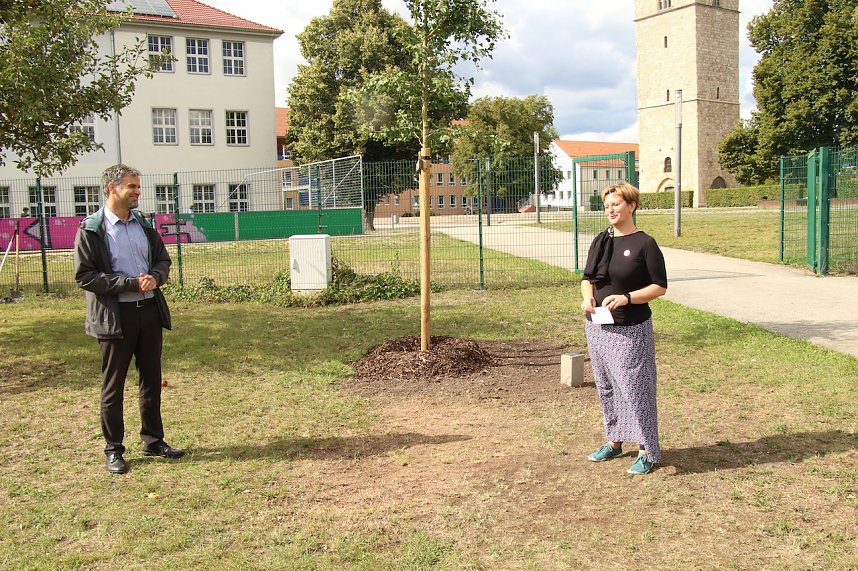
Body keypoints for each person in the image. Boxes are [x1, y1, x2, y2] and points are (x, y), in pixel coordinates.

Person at [74, 164, 183, 475]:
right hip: (115, 318)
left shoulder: (144, 224)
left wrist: (156, 277)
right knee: (114, 385)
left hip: (148, 312)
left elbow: (163, 259)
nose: (137, 192)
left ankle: (153, 440)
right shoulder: (92, 229)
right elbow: (86, 276)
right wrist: (130, 283)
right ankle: (114, 449)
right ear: (112, 187)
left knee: (151, 379)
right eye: (132, 187)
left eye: (138, 186)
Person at [580, 182, 668, 475]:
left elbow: (659, 287)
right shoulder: (601, 241)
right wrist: (587, 297)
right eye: (606, 206)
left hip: (631, 328)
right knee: (607, 386)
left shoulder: (645, 243)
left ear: (631, 205)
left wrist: (627, 298)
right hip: (598, 326)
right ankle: (614, 442)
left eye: (616, 204)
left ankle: (647, 450)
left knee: (635, 388)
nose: (610, 210)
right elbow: (587, 277)